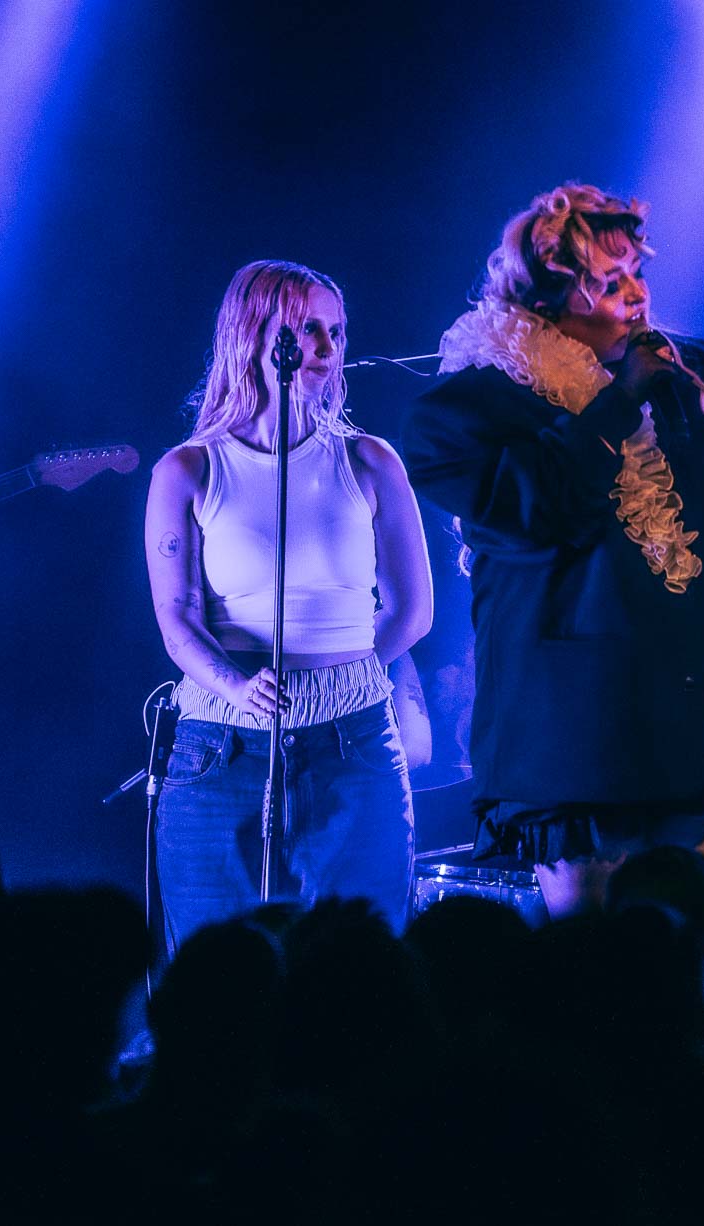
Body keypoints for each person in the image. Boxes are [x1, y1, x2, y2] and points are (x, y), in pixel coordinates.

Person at [402, 183, 704, 999]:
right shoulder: (468, 410)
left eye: (634, 273)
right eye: (604, 281)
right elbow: (535, 512)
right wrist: (619, 402)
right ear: (543, 298)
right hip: (584, 738)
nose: (633, 295)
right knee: (592, 989)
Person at [145, 260, 431, 952]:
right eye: (308, 329)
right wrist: (236, 687)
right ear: (255, 334)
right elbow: (177, 620)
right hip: (222, 749)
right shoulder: (187, 469)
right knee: (220, 972)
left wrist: (342, 677)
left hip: (352, 743)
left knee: (357, 967)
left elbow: (413, 609)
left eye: (337, 330)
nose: (329, 349)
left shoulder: (370, 461)